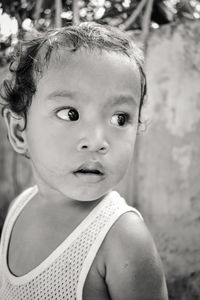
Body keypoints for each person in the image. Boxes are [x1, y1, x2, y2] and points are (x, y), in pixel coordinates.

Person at [0, 22, 168, 300]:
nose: (97, 140)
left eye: (120, 118)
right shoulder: (19, 207)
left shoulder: (124, 239)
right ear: (20, 131)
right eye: (70, 114)